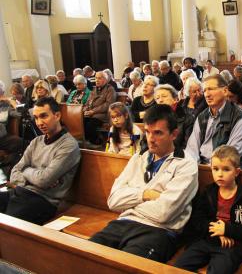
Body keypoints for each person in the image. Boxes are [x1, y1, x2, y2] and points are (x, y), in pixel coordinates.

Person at [89, 104, 198, 262]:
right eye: (147, 132)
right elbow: (113, 201)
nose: (150, 139)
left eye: (158, 133)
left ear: (174, 134)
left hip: (158, 231)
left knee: (124, 267)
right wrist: (145, 194)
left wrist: (130, 201)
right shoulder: (139, 157)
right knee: (86, 257)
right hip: (123, 222)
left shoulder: (185, 164)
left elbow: (164, 213)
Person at [175, 145, 242, 273]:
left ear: (236, 172)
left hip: (232, 246)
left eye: (226, 169)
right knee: (179, 266)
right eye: (215, 169)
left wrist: (227, 230)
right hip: (208, 239)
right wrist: (217, 231)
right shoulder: (209, 192)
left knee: (219, 270)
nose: (220, 174)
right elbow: (198, 220)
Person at [0, 97, 80, 225]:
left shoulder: (68, 145)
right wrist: (35, 175)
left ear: (57, 115)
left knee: (7, 226)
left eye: (44, 116)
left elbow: (44, 180)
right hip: (19, 192)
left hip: (43, 201)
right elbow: (14, 173)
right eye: (36, 118)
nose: (39, 122)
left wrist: (25, 170)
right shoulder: (36, 141)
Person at [185, 75, 242, 165]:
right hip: (199, 167)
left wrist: (208, 168)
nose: (207, 94)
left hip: (225, 171)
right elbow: (192, 148)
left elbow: (231, 156)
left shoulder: (239, 118)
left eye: (211, 89)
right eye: (204, 90)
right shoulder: (202, 116)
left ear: (225, 91)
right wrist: (194, 167)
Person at [154, 84, 194, 151]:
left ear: (175, 99)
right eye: (157, 98)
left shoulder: (188, 119)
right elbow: (145, 142)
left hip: (177, 157)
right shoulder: (154, 118)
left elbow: (187, 146)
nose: (160, 100)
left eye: (164, 96)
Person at [82, 71, 117, 145]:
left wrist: (93, 111)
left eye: (99, 78)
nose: (97, 80)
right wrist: (85, 110)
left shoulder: (110, 89)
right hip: (91, 113)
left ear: (105, 79)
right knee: (82, 120)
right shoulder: (94, 89)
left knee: (90, 124)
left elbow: (108, 104)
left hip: (103, 114)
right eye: (96, 78)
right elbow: (88, 102)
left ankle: (96, 142)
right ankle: (87, 141)